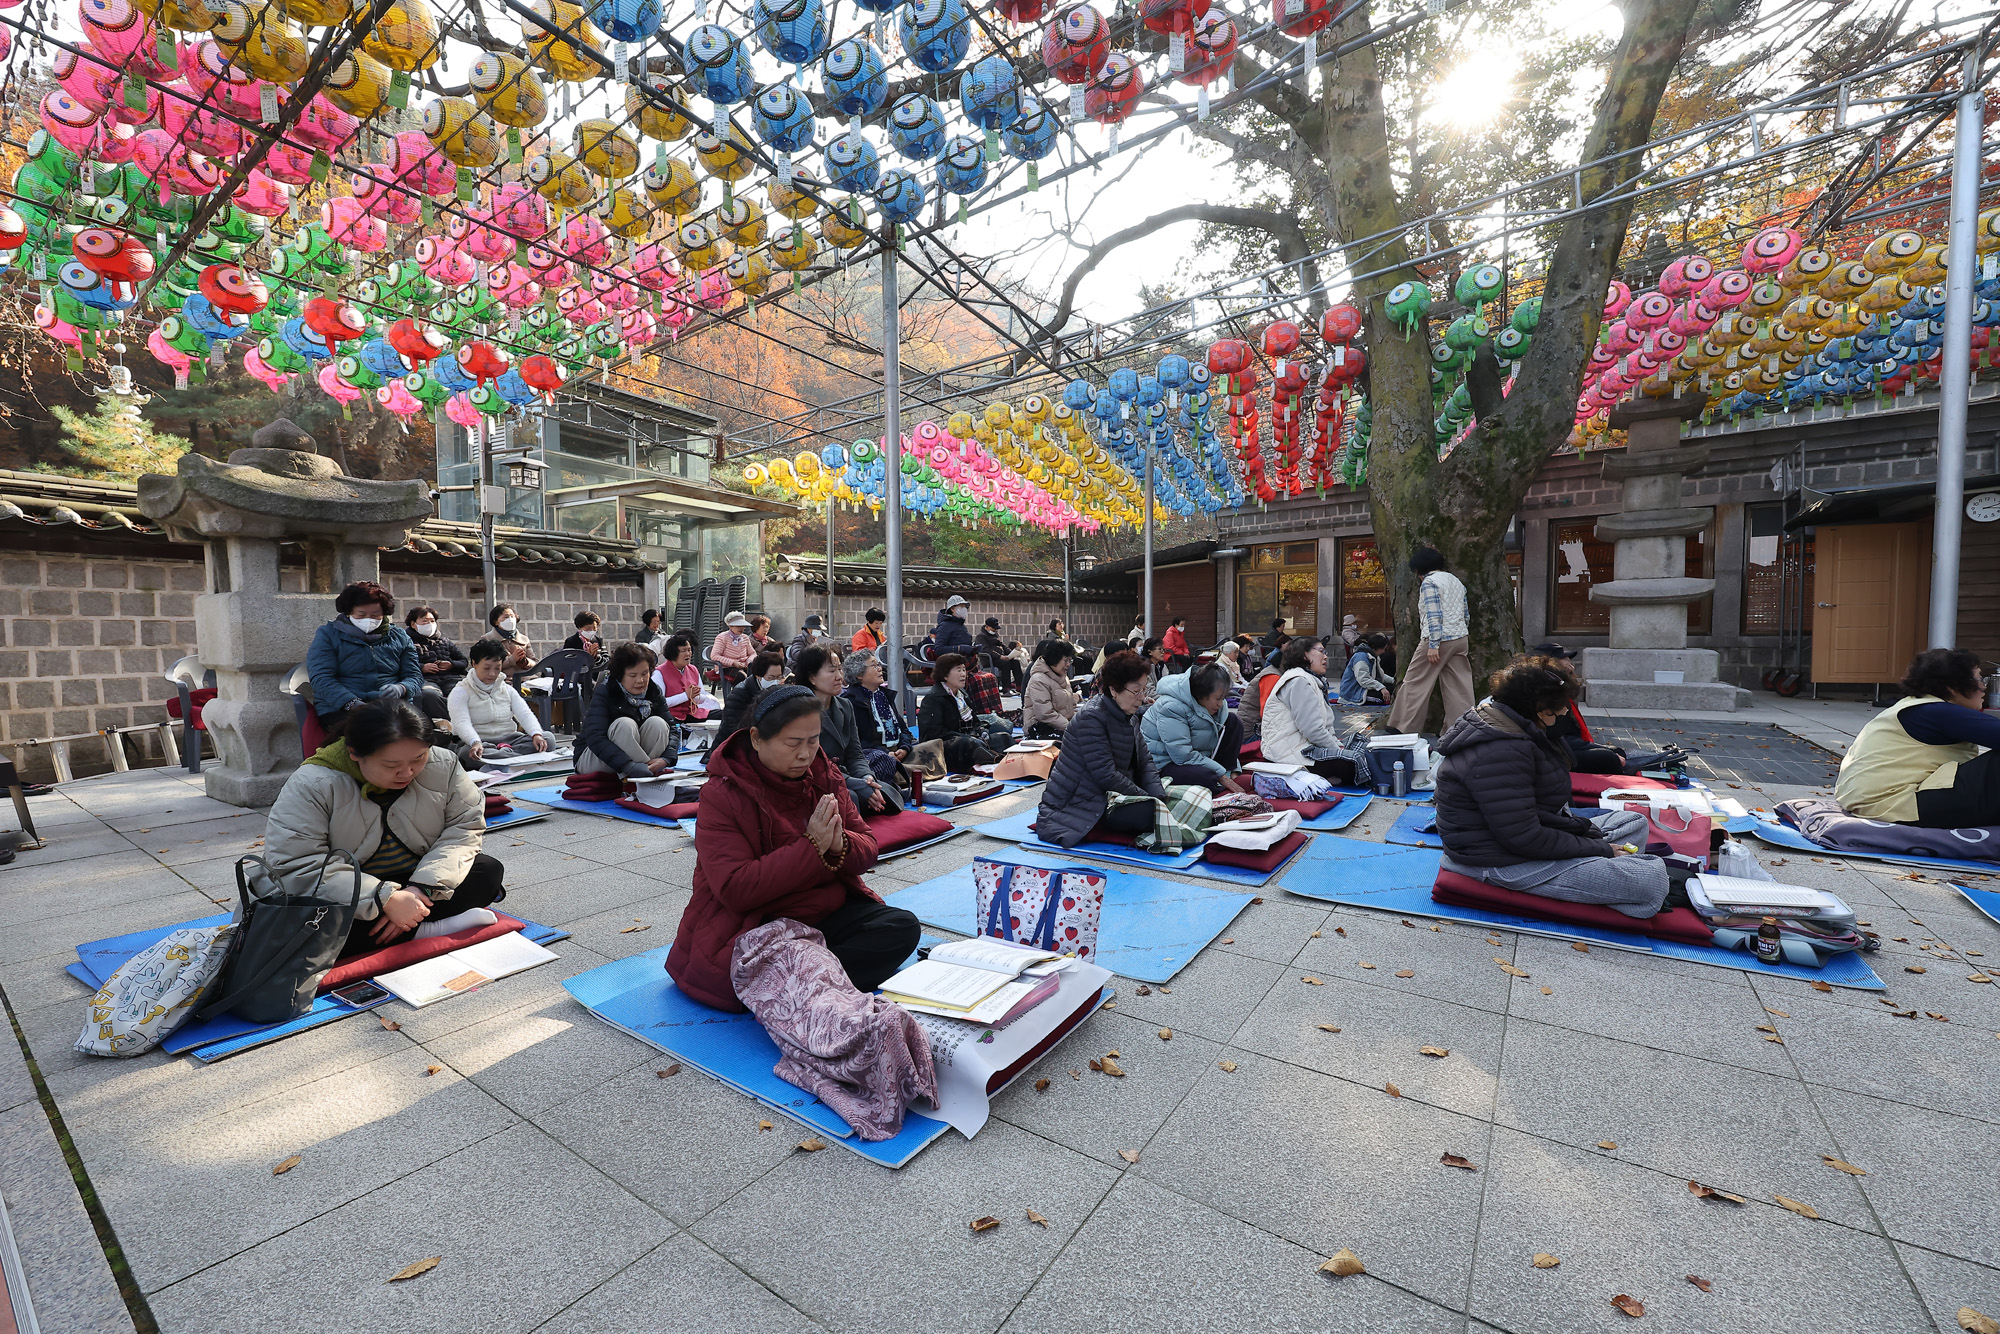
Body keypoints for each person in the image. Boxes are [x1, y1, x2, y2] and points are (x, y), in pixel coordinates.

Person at [665, 684, 918, 1012]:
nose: (805, 754)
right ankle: (807, 982)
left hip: (822, 913)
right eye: (793, 743)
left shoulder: (823, 773)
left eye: (813, 741)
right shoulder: (723, 793)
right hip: (758, 924)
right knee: (754, 967)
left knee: (901, 928)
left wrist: (840, 842)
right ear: (756, 739)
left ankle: (804, 982)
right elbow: (735, 888)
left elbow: (867, 847)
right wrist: (812, 847)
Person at [262, 699, 506, 958]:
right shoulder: (313, 784)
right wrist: (384, 898)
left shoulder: (443, 764)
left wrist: (420, 890)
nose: (407, 772)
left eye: (420, 758)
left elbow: (464, 828)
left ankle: (409, 922)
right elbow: (298, 864)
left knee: (487, 872)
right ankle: (426, 928)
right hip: (350, 892)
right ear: (354, 753)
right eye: (391, 765)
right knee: (293, 931)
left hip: (415, 880)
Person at [1432, 658, 1668, 918]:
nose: (1565, 712)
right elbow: (1523, 837)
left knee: (1633, 822)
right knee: (1651, 881)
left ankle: (1596, 874)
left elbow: (1533, 812)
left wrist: (1582, 835)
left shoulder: (1515, 728)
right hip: (1495, 859)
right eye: (1559, 708)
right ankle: (1599, 876)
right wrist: (1596, 848)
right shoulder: (1500, 750)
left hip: (1520, 840)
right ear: (1539, 708)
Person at [1837, 647, 2000, 827]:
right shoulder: (1937, 712)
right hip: (1896, 804)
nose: (1984, 686)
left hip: (1879, 803)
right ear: (1953, 687)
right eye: (1979, 679)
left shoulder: (1917, 707)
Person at [1036, 651, 1171, 847]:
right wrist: (1148, 799)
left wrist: (1158, 797)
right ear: (1114, 690)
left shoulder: (1128, 715)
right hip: (1081, 803)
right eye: (1136, 691)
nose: (1141, 698)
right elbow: (1105, 774)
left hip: (1113, 793)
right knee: (1152, 815)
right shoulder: (1091, 718)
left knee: (1175, 799)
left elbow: (1145, 761)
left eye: (1144, 690)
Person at [306, 581, 424, 738]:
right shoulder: (328, 635)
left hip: (391, 706)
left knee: (420, 733)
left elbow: (414, 675)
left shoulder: (400, 636)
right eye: (361, 615)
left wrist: (402, 688)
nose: (369, 620)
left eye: (375, 615)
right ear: (349, 612)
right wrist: (351, 703)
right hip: (340, 709)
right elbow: (321, 678)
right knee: (380, 735)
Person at [796, 645, 901, 815]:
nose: (839, 677)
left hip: (846, 776)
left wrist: (867, 777)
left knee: (884, 791)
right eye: (832, 671)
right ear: (812, 677)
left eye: (840, 669)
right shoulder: (801, 711)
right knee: (850, 797)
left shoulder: (845, 706)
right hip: (817, 781)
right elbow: (813, 767)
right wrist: (857, 784)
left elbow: (855, 754)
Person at [1387, 547, 1474, 735]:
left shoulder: (1429, 583)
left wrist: (1433, 645)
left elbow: (1434, 616)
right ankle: (1461, 729)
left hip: (1437, 639)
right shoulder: (1456, 581)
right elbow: (1466, 614)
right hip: (1460, 638)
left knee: (1415, 682)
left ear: (1418, 570)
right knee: (1459, 686)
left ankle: (1402, 727)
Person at [1260, 638, 1372, 785]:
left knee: (1362, 745)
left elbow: (1326, 726)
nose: (1325, 657)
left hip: (1306, 746)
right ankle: (1317, 778)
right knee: (1354, 761)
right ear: (1304, 655)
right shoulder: (1299, 681)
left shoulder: (1312, 680)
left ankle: (1326, 777)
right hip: (1290, 754)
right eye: (1320, 651)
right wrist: (1338, 749)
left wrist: (1337, 746)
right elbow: (1313, 730)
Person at [576, 641, 677, 779]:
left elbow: (672, 729)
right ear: (620, 675)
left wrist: (666, 759)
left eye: (644, 673)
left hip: (633, 762)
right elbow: (595, 737)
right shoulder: (605, 691)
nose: (640, 680)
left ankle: (646, 771)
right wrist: (627, 766)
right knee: (624, 724)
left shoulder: (653, 691)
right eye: (632, 675)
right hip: (596, 759)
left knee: (658, 723)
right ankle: (643, 773)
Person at [447, 638, 553, 767]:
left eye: (497, 668)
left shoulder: (507, 689)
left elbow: (525, 714)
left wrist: (536, 734)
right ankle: (519, 759)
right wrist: (475, 742)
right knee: (468, 754)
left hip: (511, 739)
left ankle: (504, 759)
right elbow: (461, 723)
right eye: (486, 668)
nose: (492, 674)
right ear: (474, 664)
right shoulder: (460, 692)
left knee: (548, 739)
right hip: (480, 743)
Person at [1142, 663, 1245, 794]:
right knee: (1207, 779)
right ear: (1202, 693)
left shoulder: (1214, 705)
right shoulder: (1171, 707)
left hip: (1199, 756)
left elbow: (1222, 738)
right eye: (1218, 698)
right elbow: (1182, 756)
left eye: (1223, 698)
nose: (1221, 704)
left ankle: (1227, 776)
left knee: (1233, 721)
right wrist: (1220, 774)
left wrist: (1232, 769)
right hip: (1166, 763)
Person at [917, 653, 1009, 769]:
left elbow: (975, 721)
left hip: (969, 740)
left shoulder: (962, 695)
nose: (963, 674)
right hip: (945, 748)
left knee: (1002, 737)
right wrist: (966, 737)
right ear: (945, 675)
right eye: (958, 670)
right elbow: (933, 734)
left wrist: (981, 730)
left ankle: (1015, 759)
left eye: (964, 670)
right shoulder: (934, 698)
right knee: (969, 744)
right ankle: (999, 763)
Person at [842, 650, 914, 784]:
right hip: (875, 757)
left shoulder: (883, 696)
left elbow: (904, 730)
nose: (880, 668)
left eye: (879, 664)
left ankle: (902, 774)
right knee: (882, 761)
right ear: (859, 674)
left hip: (897, 753)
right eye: (874, 665)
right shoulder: (851, 702)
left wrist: (904, 748)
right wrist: (886, 753)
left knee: (934, 747)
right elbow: (857, 743)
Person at [405, 604, 466, 718]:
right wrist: (422, 667)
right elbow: (402, 663)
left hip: (450, 678)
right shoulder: (406, 642)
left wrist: (451, 665)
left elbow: (463, 661)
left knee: (462, 692)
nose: (430, 624)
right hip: (425, 680)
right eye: (425, 621)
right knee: (429, 695)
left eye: (432, 621)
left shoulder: (445, 641)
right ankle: (448, 722)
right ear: (413, 624)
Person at [718, 651, 786, 743]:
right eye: (771, 678)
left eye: (779, 677)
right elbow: (736, 730)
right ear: (758, 676)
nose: (775, 681)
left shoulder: (778, 692)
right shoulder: (739, 694)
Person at [1023, 639, 1079, 739]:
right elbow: (1045, 715)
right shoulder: (1038, 680)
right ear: (1054, 659)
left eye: (1070, 660)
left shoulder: (1063, 677)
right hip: (1041, 729)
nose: (1068, 664)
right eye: (1065, 660)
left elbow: (1070, 708)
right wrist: (1071, 728)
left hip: (1062, 726)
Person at [656, 632, 713, 723]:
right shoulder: (659, 673)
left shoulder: (693, 669)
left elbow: (702, 696)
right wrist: (686, 696)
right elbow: (660, 702)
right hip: (671, 716)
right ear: (673, 653)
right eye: (683, 651)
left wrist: (694, 696)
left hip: (693, 713)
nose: (688, 654)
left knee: (727, 715)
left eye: (689, 650)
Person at [1339, 633, 1395, 706]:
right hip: (1354, 692)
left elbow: (1381, 675)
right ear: (1375, 647)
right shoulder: (1361, 657)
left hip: (1364, 688)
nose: (1383, 652)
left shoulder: (1373, 656)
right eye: (1382, 649)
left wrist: (1394, 681)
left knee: (1392, 688)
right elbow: (1363, 679)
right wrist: (1381, 688)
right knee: (1382, 696)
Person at [975, 616, 1025, 693]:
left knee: (1016, 662)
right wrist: (1000, 656)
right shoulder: (981, 637)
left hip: (1000, 658)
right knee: (1005, 664)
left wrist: (1012, 653)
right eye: (993, 628)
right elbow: (986, 649)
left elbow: (1002, 646)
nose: (995, 630)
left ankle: (1020, 685)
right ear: (987, 627)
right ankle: (1006, 687)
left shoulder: (995, 636)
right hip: (989, 659)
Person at [710, 611, 758, 680]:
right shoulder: (722, 637)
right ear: (730, 626)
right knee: (741, 676)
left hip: (744, 666)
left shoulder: (745, 637)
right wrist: (733, 663)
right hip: (727, 667)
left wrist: (749, 661)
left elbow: (752, 653)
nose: (741, 628)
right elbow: (714, 656)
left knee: (758, 673)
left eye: (742, 626)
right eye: (738, 626)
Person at [488, 603, 535, 672]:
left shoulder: (524, 639)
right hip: (503, 680)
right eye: (506, 617)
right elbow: (487, 666)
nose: (510, 620)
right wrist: (512, 659)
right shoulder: (487, 639)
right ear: (496, 622)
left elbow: (535, 662)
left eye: (512, 616)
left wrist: (525, 661)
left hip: (526, 679)